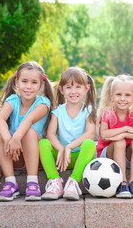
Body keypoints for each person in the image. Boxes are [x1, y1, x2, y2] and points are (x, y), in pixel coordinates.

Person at [0, 61, 54, 201]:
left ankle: (32, 182)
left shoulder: (43, 103)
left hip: (36, 157)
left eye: (34, 82)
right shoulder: (13, 100)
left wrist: (15, 138)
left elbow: (28, 120)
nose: (28, 86)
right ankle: (10, 183)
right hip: (14, 154)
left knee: (29, 132)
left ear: (40, 85)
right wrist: (9, 140)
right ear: (17, 82)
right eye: (24, 81)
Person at [39, 67, 97, 201]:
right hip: (60, 159)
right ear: (61, 90)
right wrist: (60, 148)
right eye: (69, 87)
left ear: (86, 88)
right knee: (43, 143)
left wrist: (69, 147)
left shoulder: (88, 110)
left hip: (79, 157)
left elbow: (90, 134)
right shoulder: (58, 111)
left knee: (89, 144)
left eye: (78, 87)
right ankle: (55, 182)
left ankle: (73, 182)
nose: (73, 91)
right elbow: (51, 134)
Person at [96, 74, 133, 199]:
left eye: (127, 95)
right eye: (118, 94)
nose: (123, 99)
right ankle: (123, 183)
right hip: (107, 154)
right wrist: (125, 129)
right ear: (111, 95)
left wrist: (125, 134)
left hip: (126, 155)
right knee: (120, 142)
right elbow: (104, 135)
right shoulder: (108, 113)